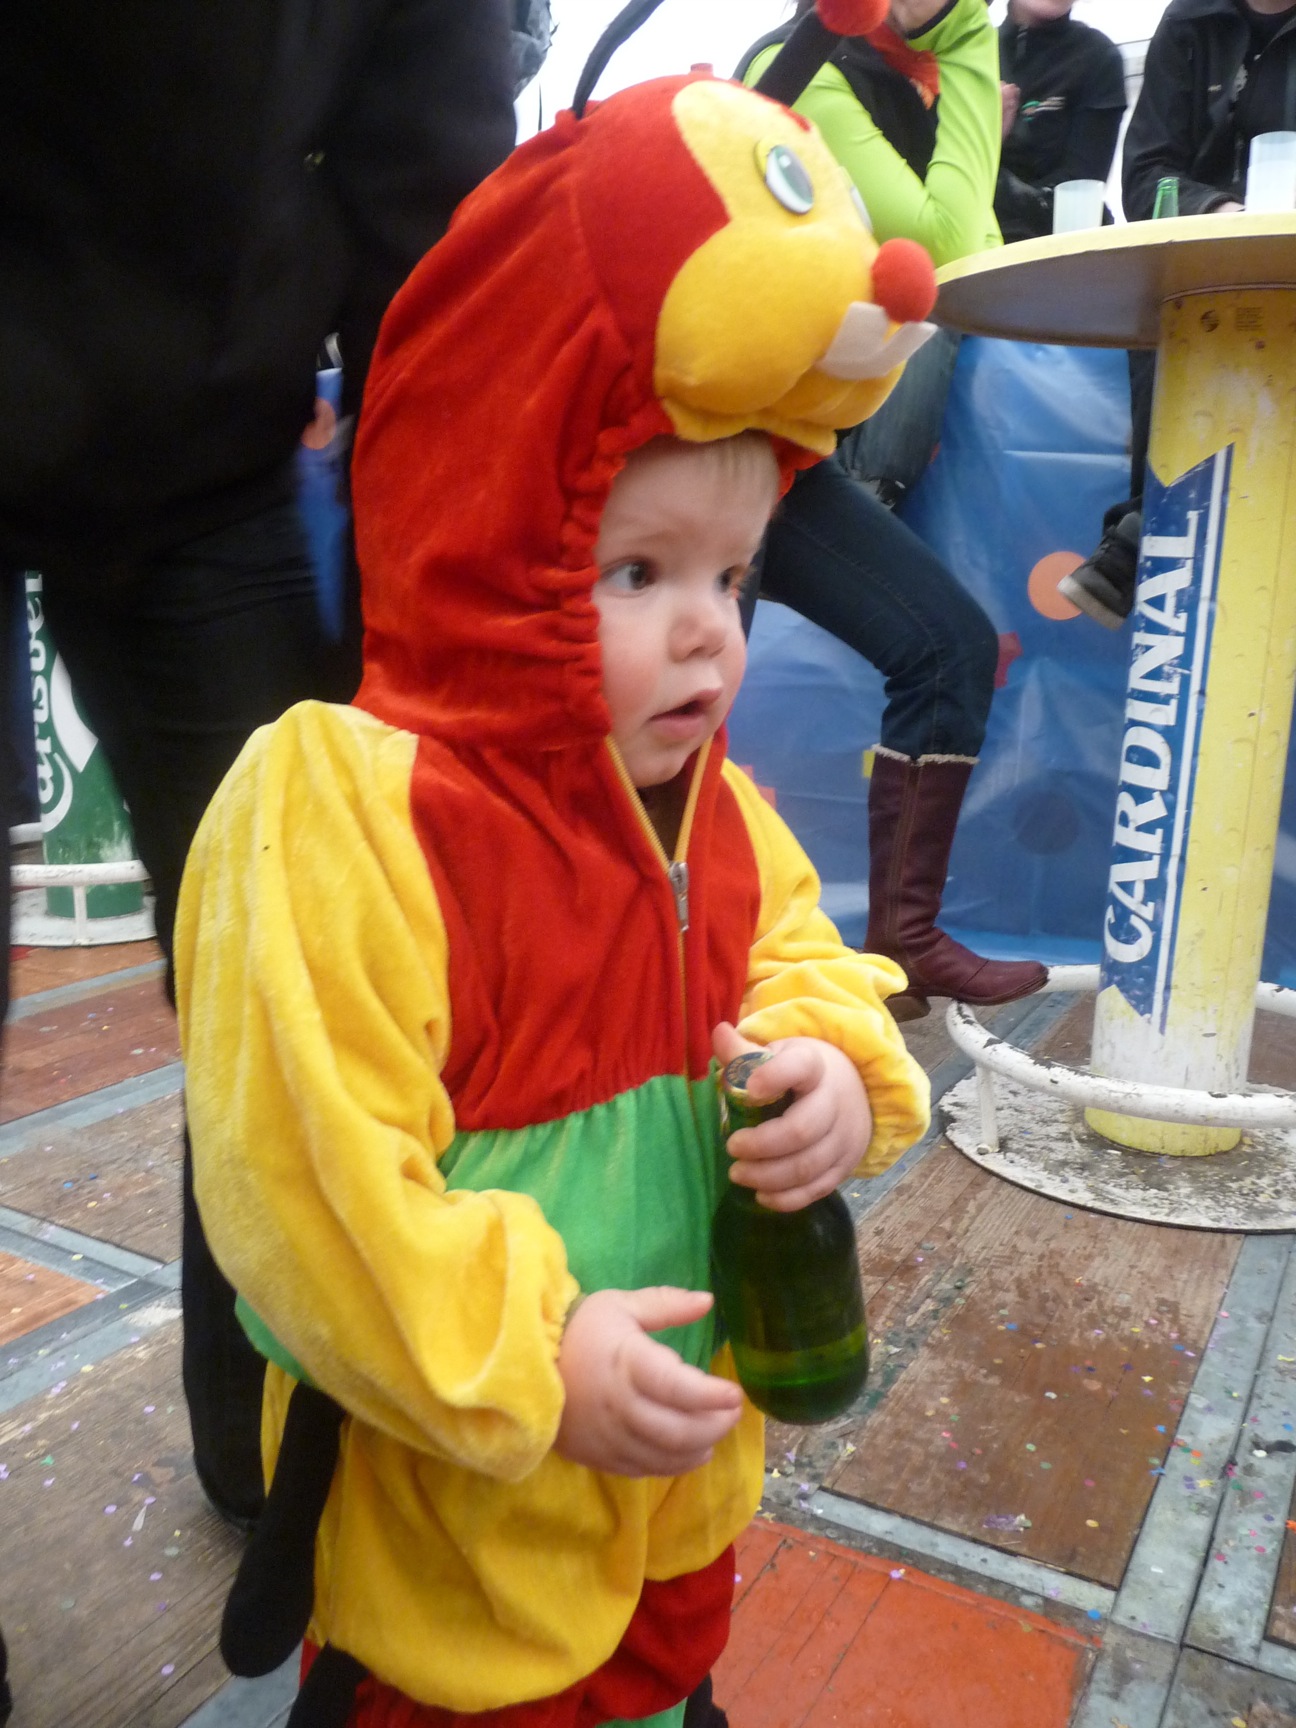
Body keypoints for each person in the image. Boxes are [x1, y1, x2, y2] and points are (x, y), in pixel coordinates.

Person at [173, 70, 932, 1728]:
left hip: (674, 1506)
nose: (708, 629)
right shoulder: (353, 812)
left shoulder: (723, 813)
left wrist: (827, 1064)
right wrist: (534, 1354)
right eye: (636, 572)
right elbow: (308, 1186)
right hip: (459, 1543)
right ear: (489, 526)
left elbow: (801, 958)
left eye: (732, 575)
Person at [0, 2, 519, 1529]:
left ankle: (274, 1435)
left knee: (294, 966)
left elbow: (425, 193)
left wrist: (419, 608)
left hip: (204, 443)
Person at [740, 0, 1048, 1021]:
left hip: (783, 450)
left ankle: (904, 942)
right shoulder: (798, 62)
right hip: (694, 446)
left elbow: (974, 253)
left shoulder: (920, 86)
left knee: (951, 646)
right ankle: (658, 964)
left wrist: (960, 55)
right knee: (685, 699)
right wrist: (971, 50)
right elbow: (944, 243)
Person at [1061, 0, 1296, 626]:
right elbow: (1145, 176)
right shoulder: (1190, 19)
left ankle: (1142, 536)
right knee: (1169, 311)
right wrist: (1221, 212)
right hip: (1203, 268)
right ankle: (1155, 529)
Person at [995, 0, 1127, 244]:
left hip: (1060, 246)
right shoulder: (971, 57)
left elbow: (1079, 192)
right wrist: (986, 141)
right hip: (975, 244)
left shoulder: (1097, 56)